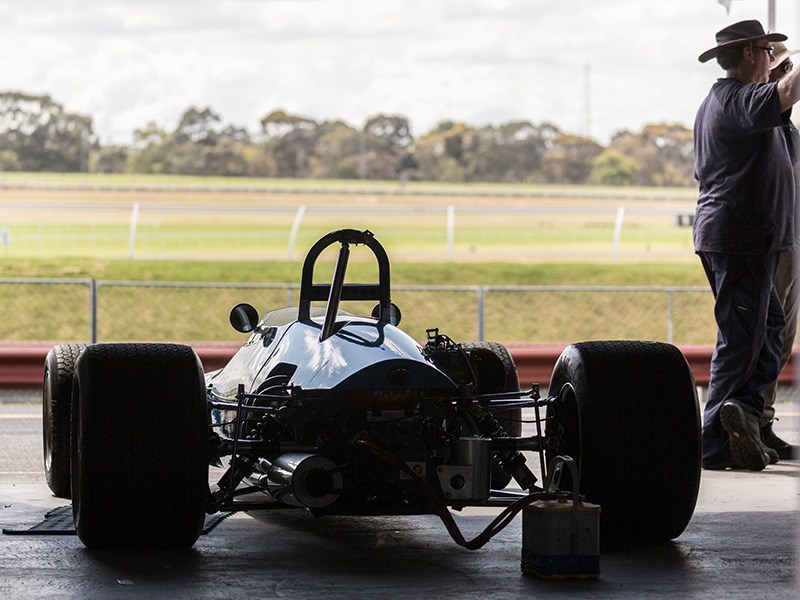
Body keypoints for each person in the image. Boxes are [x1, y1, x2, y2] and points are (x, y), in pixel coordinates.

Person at [694, 20, 800, 471]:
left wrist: (777, 88)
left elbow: (788, 146)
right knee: (741, 340)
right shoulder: (736, 99)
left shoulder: (743, 105)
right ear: (752, 54)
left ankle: (748, 421)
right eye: (769, 51)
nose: (775, 58)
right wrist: (783, 84)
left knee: (768, 333)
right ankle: (713, 443)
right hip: (740, 237)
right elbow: (784, 94)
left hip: (748, 238)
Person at [759, 41, 800, 460]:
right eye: (780, 67)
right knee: (763, 336)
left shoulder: (787, 129)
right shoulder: (758, 124)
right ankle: (749, 421)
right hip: (770, 241)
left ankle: (762, 420)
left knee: (782, 338)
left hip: (792, 238)